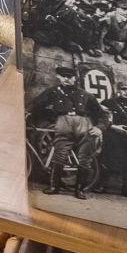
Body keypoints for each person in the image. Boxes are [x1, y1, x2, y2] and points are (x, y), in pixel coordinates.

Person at [31, 64, 104, 198]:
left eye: (70, 77)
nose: (66, 79)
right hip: (63, 125)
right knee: (59, 155)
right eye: (63, 76)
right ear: (58, 77)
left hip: (84, 125)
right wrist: (50, 117)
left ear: (75, 78)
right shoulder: (53, 91)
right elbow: (36, 105)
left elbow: (101, 114)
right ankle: (54, 186)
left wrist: (99, 127)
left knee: (85, 159)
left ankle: (80, 189)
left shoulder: (86, 95)